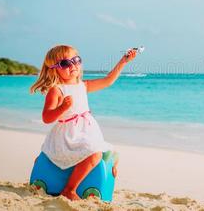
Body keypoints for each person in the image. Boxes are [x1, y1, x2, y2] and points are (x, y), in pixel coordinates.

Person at [30, 44, 136, 200]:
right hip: (68, 136)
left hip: (85, 131)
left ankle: (105, 174)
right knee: (95, 154)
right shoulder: (56, 90)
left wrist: (123, 61)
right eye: (65, 63)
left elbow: (108, 81)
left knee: (113, 154)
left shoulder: (83, 85)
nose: (73, 65)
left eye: (76, 60)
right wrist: (62, 108)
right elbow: (47, 118)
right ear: (54, 69)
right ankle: (69, 189)